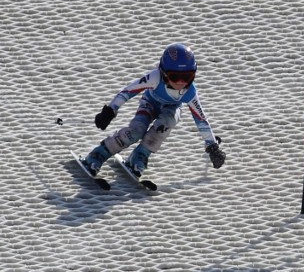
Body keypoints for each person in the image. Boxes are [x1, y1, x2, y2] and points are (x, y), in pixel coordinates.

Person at [81, 43, 226, 177]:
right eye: (174, 77)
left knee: (164, 126)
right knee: (136, 131)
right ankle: (98, 154)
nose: (181, 83)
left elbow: (201, 120)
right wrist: (110, 110)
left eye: (187, 77)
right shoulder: (155, 77)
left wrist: (212, 146)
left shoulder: (190, 92)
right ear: (163, 73)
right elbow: (129, 90)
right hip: (150, 103)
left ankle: (140, 155)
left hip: (171, 108)